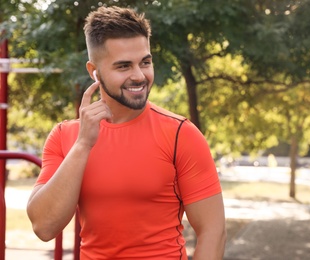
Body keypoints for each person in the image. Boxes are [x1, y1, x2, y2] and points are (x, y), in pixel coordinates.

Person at [27, 6, 226, 260]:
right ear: (94, 72)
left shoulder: (181, 134)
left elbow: (213, 231)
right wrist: (83, 145)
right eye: (123, 66)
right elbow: (44, 227)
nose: (139, 76)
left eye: (145, 62)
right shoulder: (65, 136)